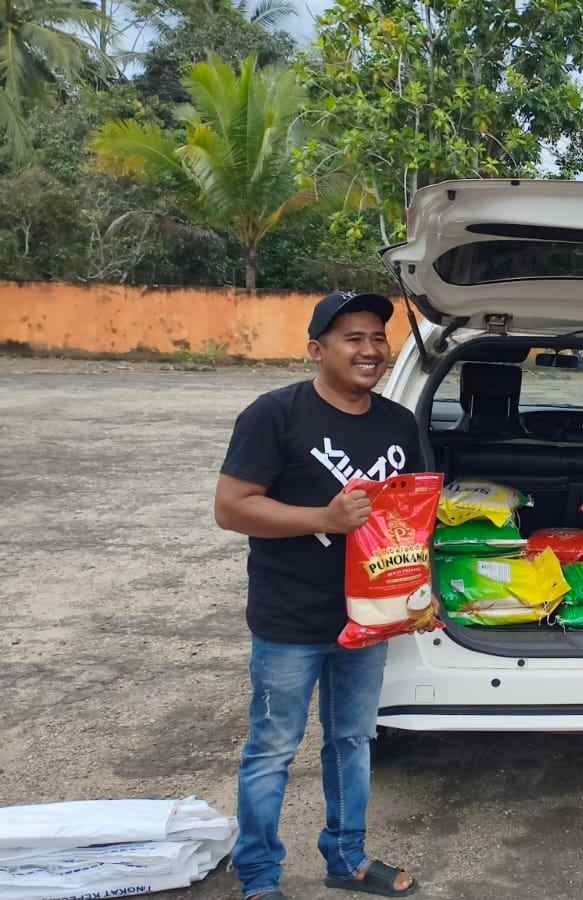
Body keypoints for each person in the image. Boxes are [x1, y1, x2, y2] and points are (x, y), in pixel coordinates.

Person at [214, 291, 423, 900]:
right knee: (272, 750)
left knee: (352, 742)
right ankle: (259, 877)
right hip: (290, 618)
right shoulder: (274, 415)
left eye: (378, 338)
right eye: (353, 338)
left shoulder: (398, 423)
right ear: (316, 349)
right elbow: (231, 508)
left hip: (367, 618)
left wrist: (418, 590)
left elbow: (406, 517)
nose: (370, 349)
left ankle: (347, 859)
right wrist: (323, 520)